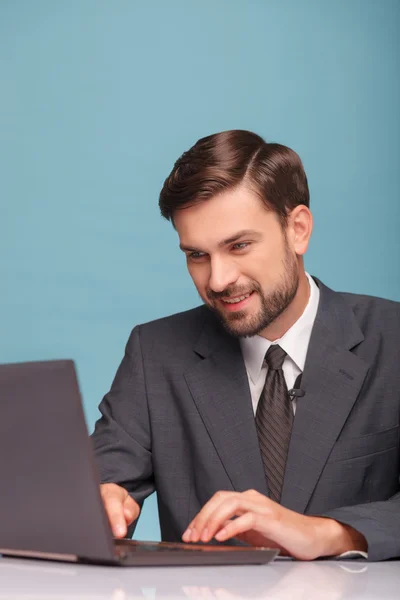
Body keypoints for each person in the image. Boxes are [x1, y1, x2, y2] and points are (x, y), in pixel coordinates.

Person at [91, 130, 400, 561]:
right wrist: (101, 500)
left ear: (298, 229)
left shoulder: (393, 340)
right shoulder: (154, 353)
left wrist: (331, 534)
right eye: (196, 255)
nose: (217, 280)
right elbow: (106, 476)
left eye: (239, 246)